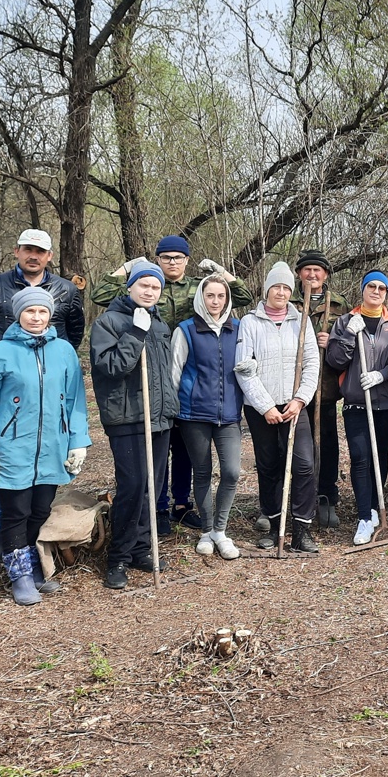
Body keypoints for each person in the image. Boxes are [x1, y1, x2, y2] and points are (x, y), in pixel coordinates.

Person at [93, 236, 254, 536]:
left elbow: (241, 295)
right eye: (165, 258)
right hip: (156, 371)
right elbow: (100, 294)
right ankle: (159, 507)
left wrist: (221, 271)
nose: (172, 263)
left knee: (185, 450)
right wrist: (129, 267)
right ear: (157, 260)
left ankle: (183, 504)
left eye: (178, 258)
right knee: (160, 449)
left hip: (192, 372)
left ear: (187, 261)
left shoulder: (197, 286)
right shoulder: (148, 284)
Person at [0, 228, 85, 566]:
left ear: (49, 256)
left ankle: (30, 553)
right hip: (8, 387)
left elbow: (74, 331)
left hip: (48, 387)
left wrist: (50, 368)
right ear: (17, 251)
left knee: (40, 492)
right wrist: (6, 364)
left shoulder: (64, 290)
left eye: (41, 251)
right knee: (2, 481)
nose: (34, 255)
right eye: (28, 249)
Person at [0, 287, 90, 604]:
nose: (36, 317)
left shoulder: (64, 351)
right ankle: (20, 575)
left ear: (50, 315)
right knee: (16, 512)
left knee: (40, 510)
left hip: (53, 447)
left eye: (42, 311)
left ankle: (35, 566)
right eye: (30, 311)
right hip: (11, 448)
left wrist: (78, 442)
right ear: (18, 314)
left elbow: (76, 399)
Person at [90, 260, 178, 590]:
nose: (150, 291)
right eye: (144, 285)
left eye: (155, 287)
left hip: (158, 418)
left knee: (152, 488)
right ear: (130, 287)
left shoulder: (160, 324)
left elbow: (164, 372)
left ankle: (142, 548)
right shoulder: (108, 323)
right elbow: (112, 367)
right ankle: (118, 557)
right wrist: (136, 333)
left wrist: (170, 408)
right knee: (133, 485)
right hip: (127, 417)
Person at [236, 262, 321, 555]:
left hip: (295, 405)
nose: (281, 292)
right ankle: (274, 526)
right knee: (269, 466)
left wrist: (299, 399)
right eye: (276, 287)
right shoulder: (250, 322)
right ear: (267, 289)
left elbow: (312, 363)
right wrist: (266, 406)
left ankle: (301, 529)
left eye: (286, 287)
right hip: (263, 409)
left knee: (304, 465)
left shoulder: (302, 321)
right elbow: (244, 368)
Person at [170, 275, 245, 561]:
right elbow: (175, 372)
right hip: (194, 414)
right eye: (210, 296)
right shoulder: (186, 330)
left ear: (227, 299)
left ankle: (220, 531)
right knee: (201, 472)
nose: (215, 301)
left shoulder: (237, 328)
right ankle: (206, 530)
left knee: (231, 472)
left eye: (221, 296)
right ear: (201, 297)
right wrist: (172, 408)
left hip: (228, 416)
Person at [326, 271, 388, 545]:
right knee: (360, 457)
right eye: (371, 285)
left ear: (387, 293)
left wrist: (383, 374)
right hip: (356, 401)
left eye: (382, 288)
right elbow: (335, 361)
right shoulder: (345, 321)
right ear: (363, 289)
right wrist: (349, 334)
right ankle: (363, 518)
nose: (376, 291)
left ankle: (374, 507)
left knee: (379, 455)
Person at [292, 248, 349, 531]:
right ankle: (294, 497)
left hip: (325, 388)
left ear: (325, 274)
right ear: (299, 273)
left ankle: (327, 496)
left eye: (318, 270)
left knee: (327, 443)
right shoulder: (287, 300)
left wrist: (333, 341)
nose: (312, 275)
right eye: (307, 270)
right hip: (292, 389)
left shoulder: (338, 304)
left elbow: (351, 343)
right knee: (293, 447)